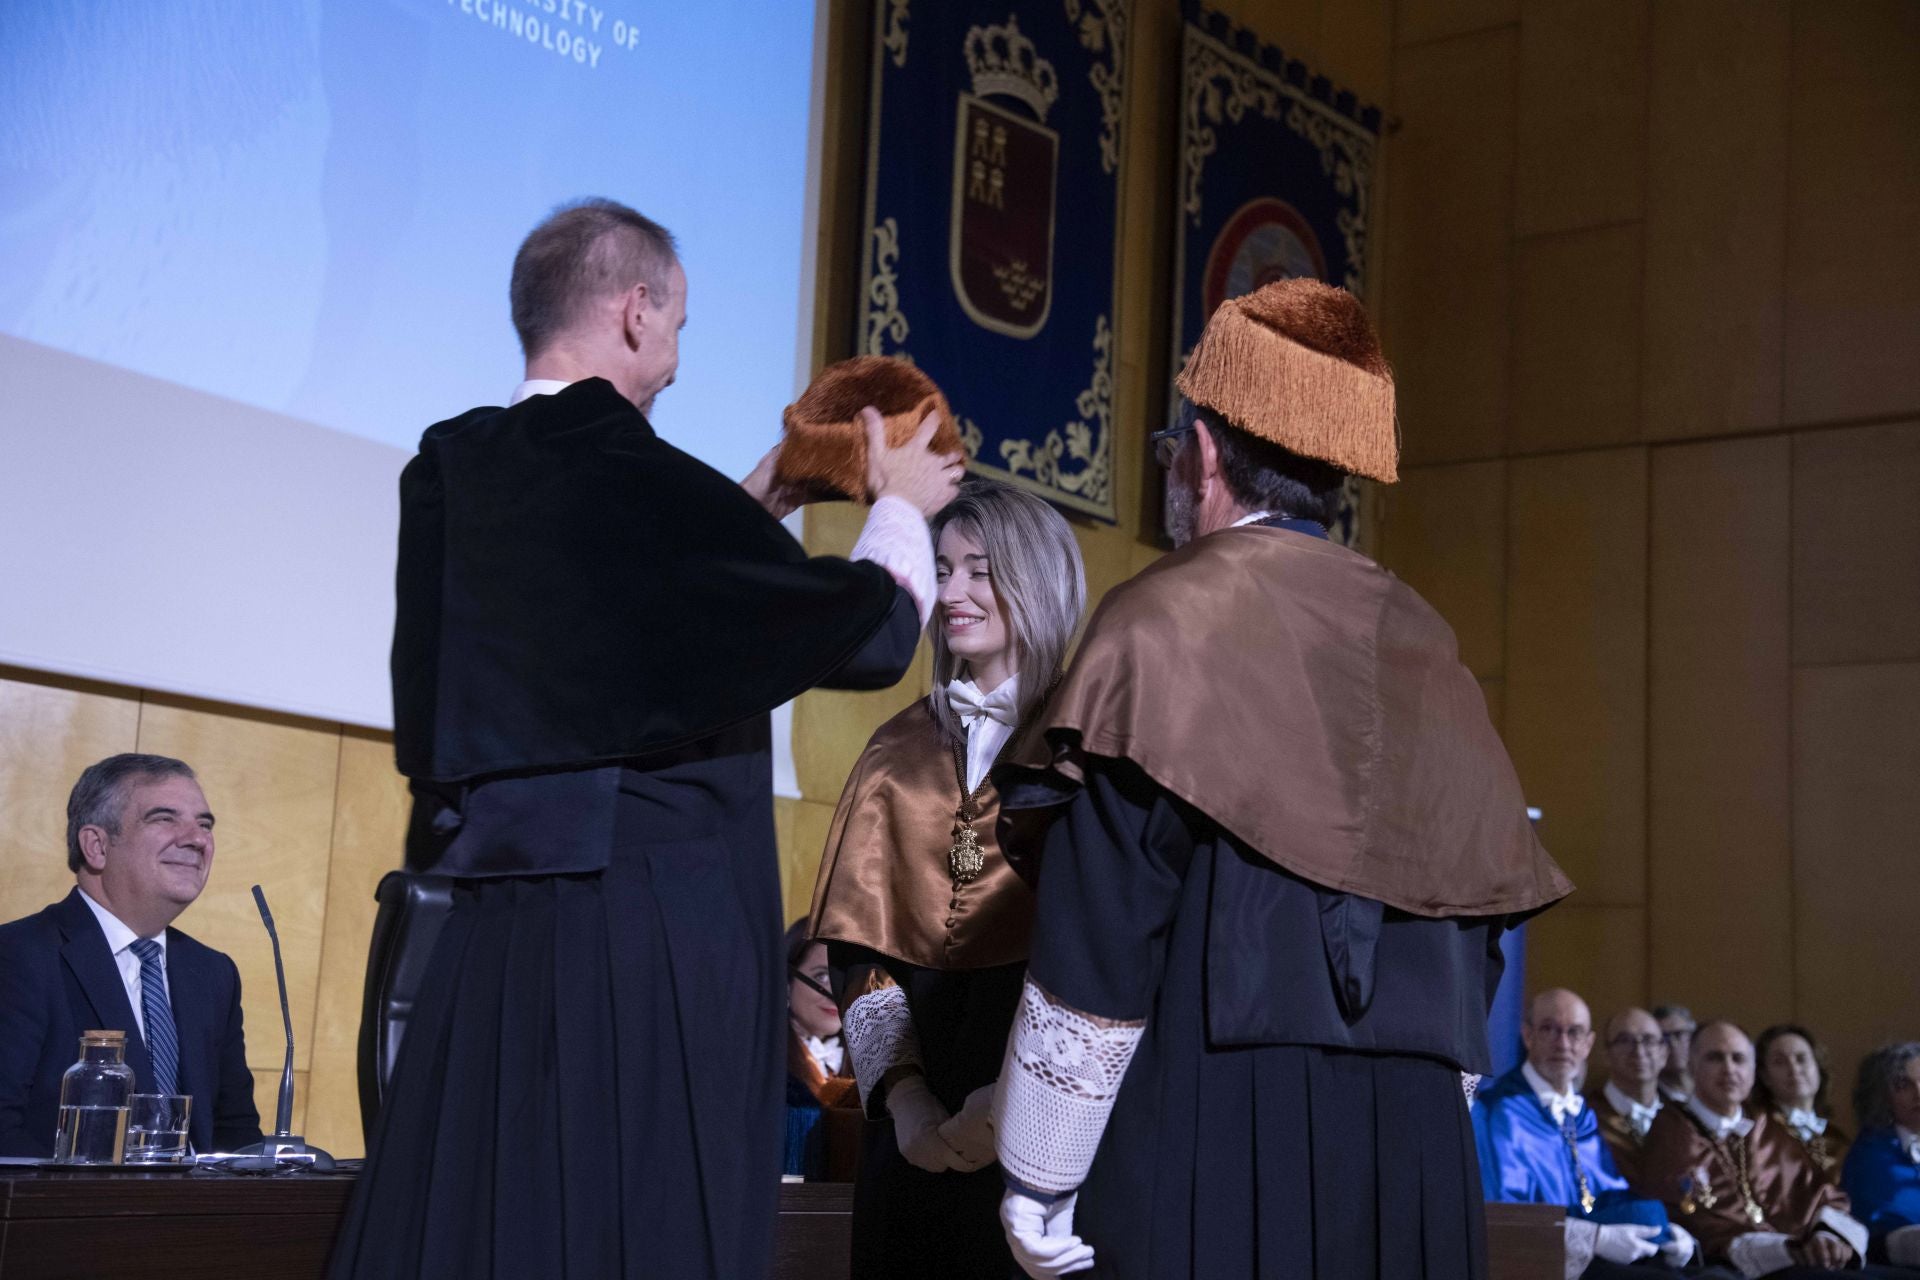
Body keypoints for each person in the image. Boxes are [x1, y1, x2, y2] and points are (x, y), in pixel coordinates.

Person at [329, 198, 962, 1279]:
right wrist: (899, 506)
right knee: (635, 1218)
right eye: (677, 323)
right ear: (636, 309)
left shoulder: (453, 468)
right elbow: (870, 636)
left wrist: (756, 499)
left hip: (490, 924)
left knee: (492, 1215)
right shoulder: (635, 472)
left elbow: (615, 617)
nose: (675, 354)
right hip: (644, 932)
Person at [985, 278, 1572, 1278]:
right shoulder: (1428, 642)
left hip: (1212, 1126)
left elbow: (1108, 907)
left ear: (1204, 455)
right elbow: (1475, 922)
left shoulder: (1165, 616)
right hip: (1414, 1158)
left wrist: (1040, 1171)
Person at [809, 477, 1087, 1277]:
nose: (953, 591)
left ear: (1035, 579)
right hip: (908, 1124)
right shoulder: (895, 750)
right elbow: (858, 951)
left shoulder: (1085, 746)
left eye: (979, 569)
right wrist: (907, 1104)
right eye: (942, 568)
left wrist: (1010, 1110)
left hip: (1043, 1126)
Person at [0, 754, 260, 1157]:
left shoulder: (213, 973)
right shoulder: (18, 955)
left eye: (204, 824)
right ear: (97, 846)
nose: (196, 839)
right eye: (164, 818)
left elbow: (235, 1134)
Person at [1634, 1021, 1895, 1278]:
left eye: (1738, 1059)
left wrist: (1825, 1236)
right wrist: (1779, 1248)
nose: (1729, 1069)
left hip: (1801, 1261)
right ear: (1692, 1065)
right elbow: (1683, 1217)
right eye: (1715, 1058)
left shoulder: (1763, 1126)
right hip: (1724, 1267)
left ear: (1753, 1069)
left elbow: (1822, 1196)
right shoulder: (1672, 1128)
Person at [1473, 990, 1696, 1279]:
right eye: (1549, 1030)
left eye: (1575, 1032)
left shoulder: (1581, 1113)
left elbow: (1606, 1193)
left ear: (1588, 1044)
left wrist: (1664, 1230)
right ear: (1528, 1036)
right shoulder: (1496, 1112)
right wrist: (1594, 1237)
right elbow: (1504, 1217)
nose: (1563, 1044)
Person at [783, 919, 861, 1181]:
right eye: (821, 976)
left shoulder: (867, 1062)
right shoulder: (768, 1068)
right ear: (787, 981)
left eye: (842, 976)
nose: (833, 991)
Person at [1840, 1042, 1920, 1268]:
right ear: (1882, 1096)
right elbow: (1880, 1221)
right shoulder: (1870, 1153)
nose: (1919, 1093)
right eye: (1904, 1085)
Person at [1754, 1024, 1849, 1180]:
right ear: (1765, 1076)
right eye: (1780, 1062)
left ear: (1818, 1067)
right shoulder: (1759, 1132)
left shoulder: (1838, 1139)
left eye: (1801, 1059)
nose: (1794, 1068)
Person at [1589, 1006, 1671, 1184]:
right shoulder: (1585, 1117)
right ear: (1606, 1055)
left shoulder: (1680, 1119)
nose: (1638, 1051)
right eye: (1625, 1040)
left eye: (1649, 1040)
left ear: (1664, 1053)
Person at [1655, 1005, 1699, 1104]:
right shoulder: (1649, 1098)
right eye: (1663, 1038)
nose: (1673, 1044)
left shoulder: (1712, 1090)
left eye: (1679, 1034)